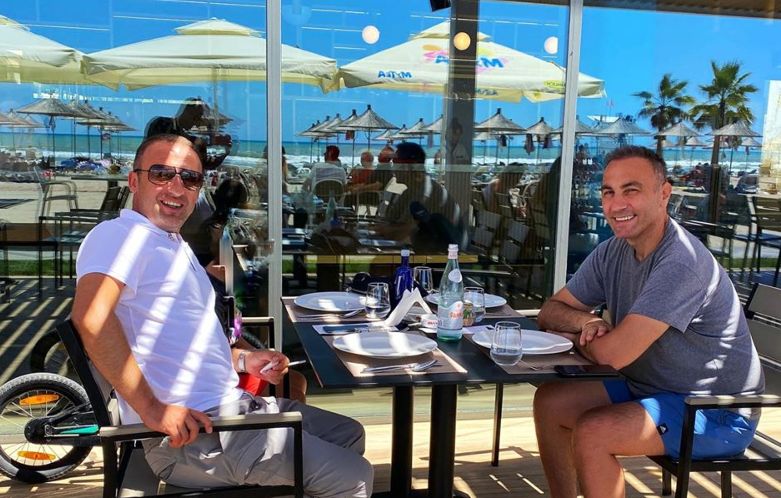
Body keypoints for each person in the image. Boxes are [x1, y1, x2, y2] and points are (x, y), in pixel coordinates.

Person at [71, 134, 373, 497]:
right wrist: (153, 410)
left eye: (190, 178)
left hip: (232, 411)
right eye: (161, 173)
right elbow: (91, 319)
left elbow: (182, 345)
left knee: (348, 434)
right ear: (134, 181)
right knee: (354, 477)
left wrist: (245, 360)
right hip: (193, 436)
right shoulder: (121, 236)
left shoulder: (170, 243)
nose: (176, 187)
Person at [532, 146, 764, 498]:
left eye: (631, 190)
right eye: (608, 192)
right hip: (650, 387)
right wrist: (586, 320)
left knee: (595, 431)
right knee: (551, 402)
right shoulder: (614, 250)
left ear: (664, 194)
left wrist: (581, 336)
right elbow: (550, 311)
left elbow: (612, 356)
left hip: (714, 410)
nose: (616, 205)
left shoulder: (680, 263)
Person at [378, 142, 467, 251]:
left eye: (396, 163)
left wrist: (384, 230)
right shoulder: (410, 190)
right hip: (428, 249)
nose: (393, 169)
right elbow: (392, 221)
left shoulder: (427, 192)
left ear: (409, 167)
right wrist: (384, 228)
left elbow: (404, 232)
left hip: (449, 255)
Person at [144, 97, 232, 171]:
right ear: (188, 113)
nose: (196, 124)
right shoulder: (161, 124)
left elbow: (206, 164)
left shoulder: (180, 133)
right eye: (196, 118)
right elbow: (155, 150)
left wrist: (224, 150)